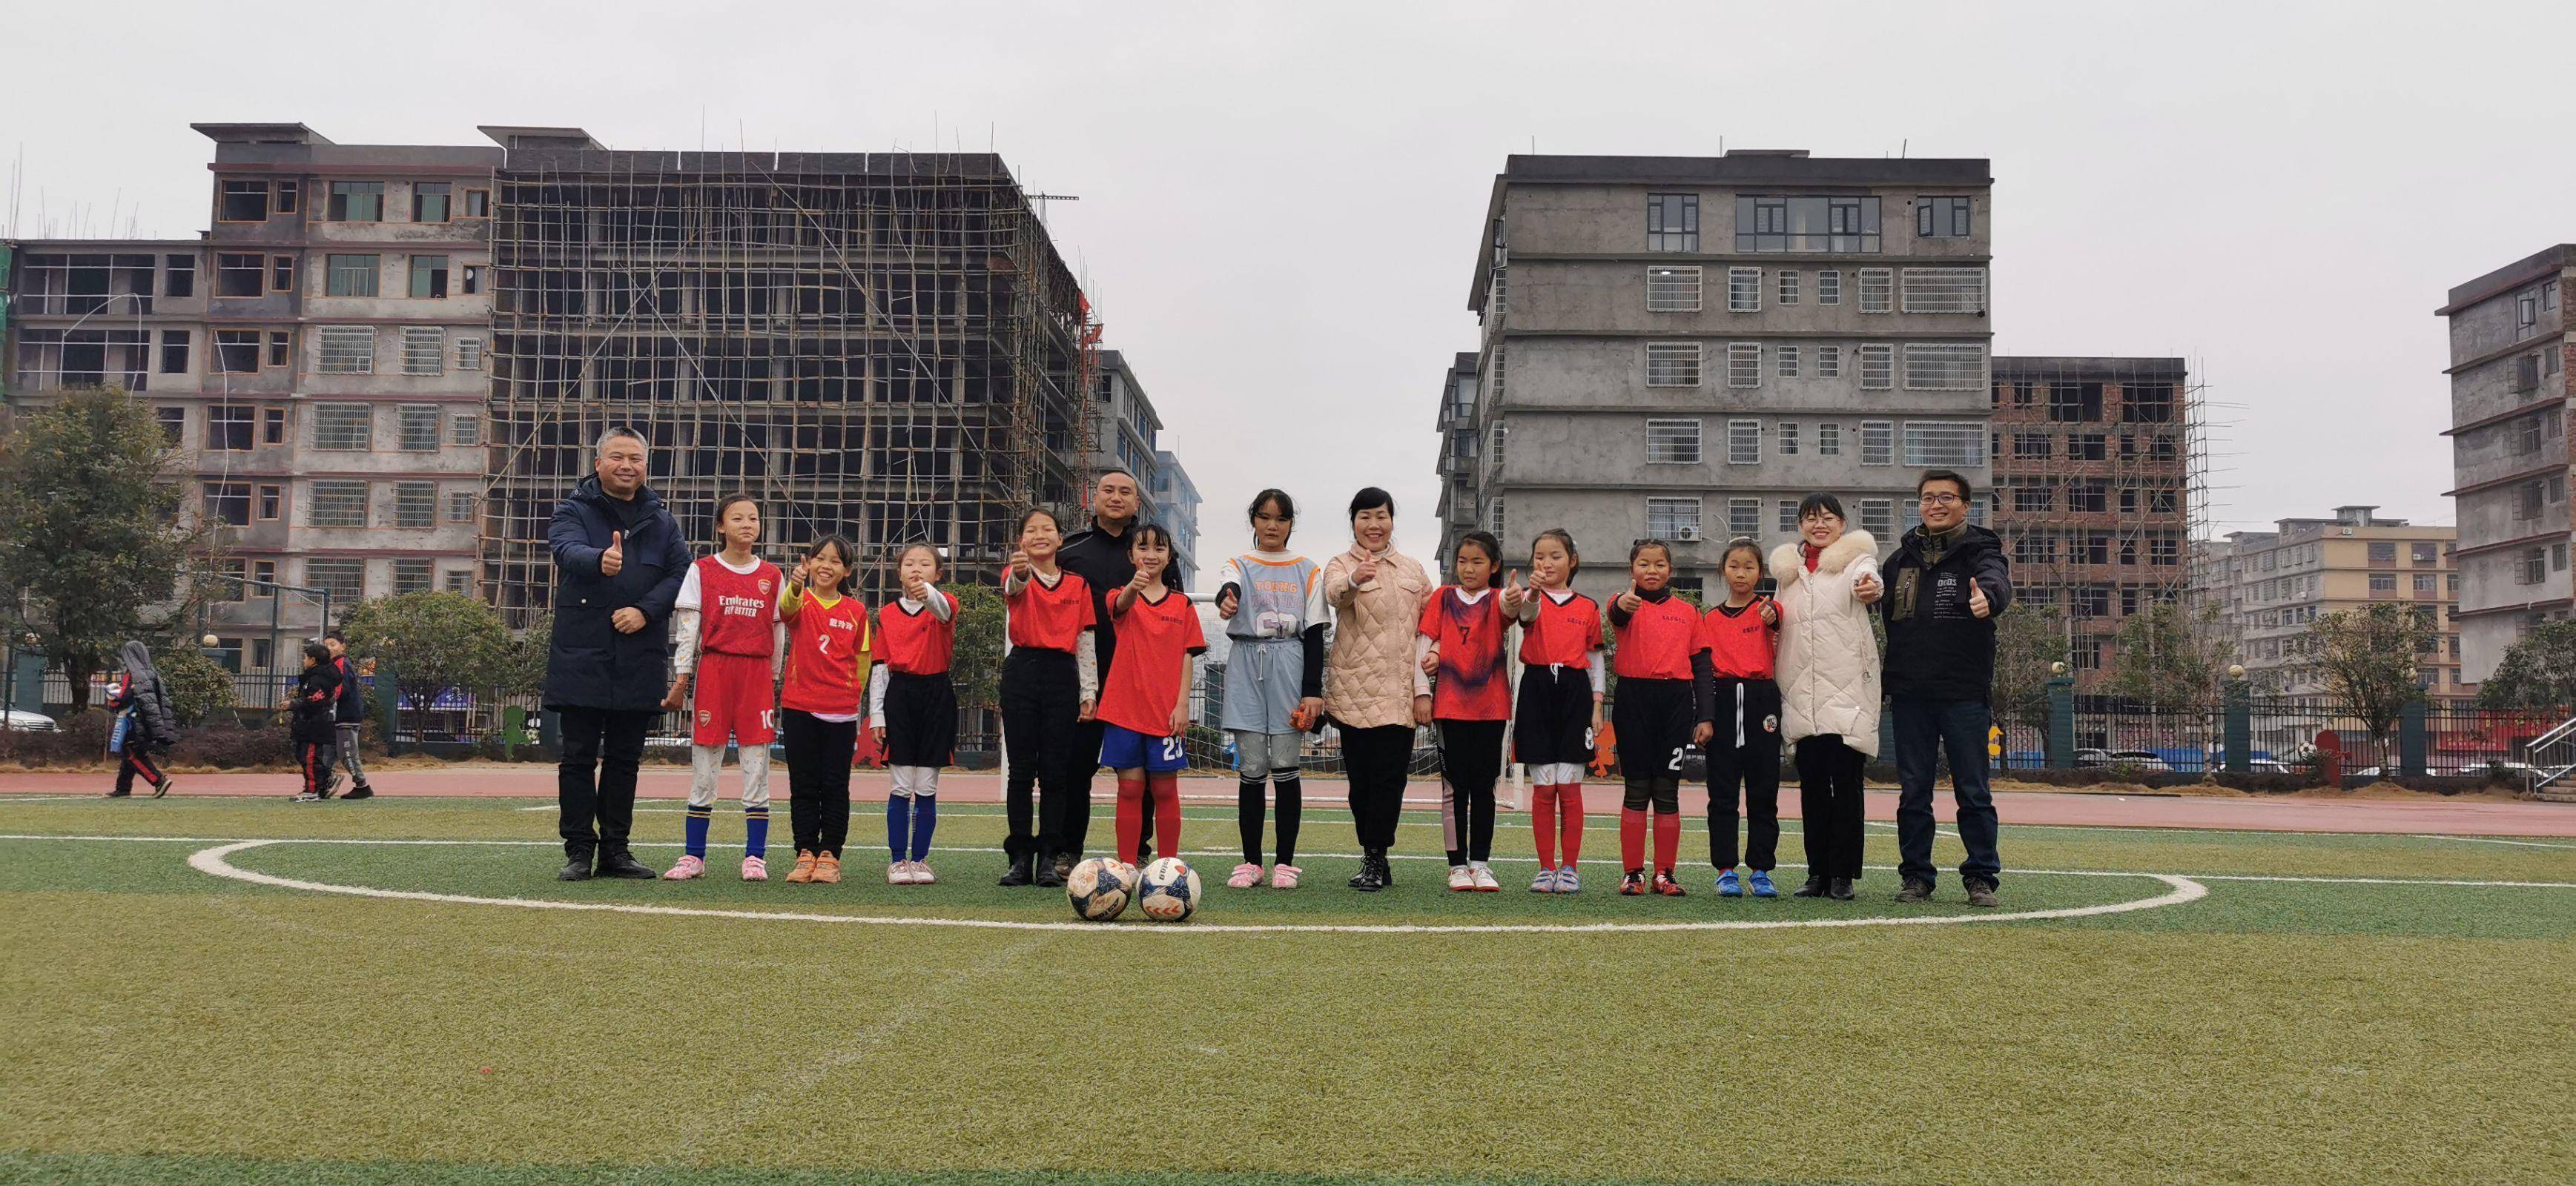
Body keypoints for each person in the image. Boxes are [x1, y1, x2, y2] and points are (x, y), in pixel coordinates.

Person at [546, 426, 690, 882]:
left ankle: (616, 850)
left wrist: (646, 612)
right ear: (598, 463)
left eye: (636, 458)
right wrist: (597, 560)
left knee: (626, 759)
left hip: (638, 652)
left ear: (646, 465)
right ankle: (577, 850)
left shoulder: (663, 521)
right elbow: (565, 549)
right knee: (578, 758)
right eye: (617, 457)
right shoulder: (572, 509)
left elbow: (681, 573)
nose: (627, 466)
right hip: (582, 653)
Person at [1883, 468, 2014, 908]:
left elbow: (1997, 581)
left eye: (1946, 497)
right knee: (1913, 790)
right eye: (1927, 498)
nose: (1935, 505)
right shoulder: (1899, 560)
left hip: (1963, 692)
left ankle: (1981, 877)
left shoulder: (1981, 550)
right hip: (1909, 693)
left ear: (1964, 504)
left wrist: (1988, 599)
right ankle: (1916, 877)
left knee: (1973, 790)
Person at [661, 494, 785, 882]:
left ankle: (755, 856)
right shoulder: (702, 571)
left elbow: (779, 630)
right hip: (715, 671)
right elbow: (688, 630)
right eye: (737, 518)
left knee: (757, 768)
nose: (747, 524)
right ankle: (693, 856)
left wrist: (775, 678)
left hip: (756, 674)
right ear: (721, 526)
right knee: (704, 769)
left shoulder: (772, 576)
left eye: (753, 518)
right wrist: (683, 677)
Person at [1768, 494, 1882, 901]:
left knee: (1846, 788)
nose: (1820, 525)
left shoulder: (1857, 560)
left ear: (1842, 523)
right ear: (1801, 525)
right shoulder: (1788, 574)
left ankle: (1843, 874)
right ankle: (1817, 872)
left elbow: (1869, 582)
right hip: (1802, 694)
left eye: (1828, 518)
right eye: (1811, 519)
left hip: (1847, 692)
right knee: (1812, 790)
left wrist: (1870, 587)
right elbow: (1779, 622)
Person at [1321, 487, 1433, 892]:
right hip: (1353, 691)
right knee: (1361, 784)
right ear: (1354, 521)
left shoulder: (1413, 570)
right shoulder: (1339, 563)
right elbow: (1334, 593)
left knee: (1390, 781)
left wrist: (1428, 674)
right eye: (1365, 516)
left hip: (1400, 692)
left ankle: (1375, 856)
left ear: (1392, 521)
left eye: (1381, 516)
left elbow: (1433, 622)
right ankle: (1373, 853)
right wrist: (1354, 578)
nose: (1374, 524)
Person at [1214, 489, 1327, 890]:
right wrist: (1228, 600)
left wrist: (1312, 689)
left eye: (1280, 519)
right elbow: (1229, 588)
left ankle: (1284, 863)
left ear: (1291, 523)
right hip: (1246, 661)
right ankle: (1250, 862)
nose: (1272, 526)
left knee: (1285, 766)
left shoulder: (1308, 569)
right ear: (1254, 521)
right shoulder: (1239, 564)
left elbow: (1314, 633)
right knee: (1251, 768)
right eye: (1264, 518)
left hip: (1289, 663)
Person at [1048, 469, 1142, 879]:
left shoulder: (1150, 550)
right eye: (1109, 490)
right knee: (1075, 768)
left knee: (1139, 770)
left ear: (1137, 502)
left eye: (1126, 491)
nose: (1116, 497)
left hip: (1137, 679)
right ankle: (1068, 850)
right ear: (1093, 497)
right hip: (1080, 679)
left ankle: (1139, 850)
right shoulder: (1070, 551)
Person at [998, 508, 1096, 888]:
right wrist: (1021, 572)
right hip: (1022, 670)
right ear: (1022, 541)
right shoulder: (1015, 573)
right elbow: (1014, 587)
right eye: (1031, 530)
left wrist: (1089, 691)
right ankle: (1020, 856)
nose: (1040, 535)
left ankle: (1049, 858)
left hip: (1062, 674)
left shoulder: (1078, 585)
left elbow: (1085, 640)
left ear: (1060, 539)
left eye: (1048, 529)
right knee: (1021, 770)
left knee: (1056, 773)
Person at [1608, 539, 1711, 898]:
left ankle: (1664, 874)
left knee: (1667, 792)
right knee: (1636, 789)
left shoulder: (1687, 612)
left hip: (1676, 702)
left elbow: (1701, 666)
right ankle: (1632, 874)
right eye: (1644, 564)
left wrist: (1706, 716)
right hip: (1633, 699)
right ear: (1631, 569)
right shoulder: (1623, 603)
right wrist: (1624, 603)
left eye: (1659, 564)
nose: (1652, 571)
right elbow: (1617, 614)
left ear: (1670, 569)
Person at [1097, 523, 1204, 867]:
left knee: (1164, 790)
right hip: (1124, 710)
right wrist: (1133, 586)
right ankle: (1127, 866)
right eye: (1143, 548)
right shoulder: (1119, 595)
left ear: (1169, 556)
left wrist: (1182, 704)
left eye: (1159, 548)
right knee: (1129, 789)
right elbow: (1122, 605)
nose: (1151, 554)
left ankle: (1168, 868)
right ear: (1131, 556)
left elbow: (1188, 655)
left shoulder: (1182, 605)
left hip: (1165, 713)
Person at [1416, 530, 1512, 891]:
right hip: (1450, 707)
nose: (1468, 569)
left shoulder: (1500, 599)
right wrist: (1421, 692)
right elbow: (1424, 644)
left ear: (1494, 566)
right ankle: (1457, 864)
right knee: (1454, 788)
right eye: (1462, 561)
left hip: (1492, 706)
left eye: (1477, 561)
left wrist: (1524, 597)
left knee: (1485, 788)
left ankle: (1481, 863)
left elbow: (1520, 611)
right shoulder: (1442, 597)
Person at [1510, 529, 1604, 894]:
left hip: (1575, 693)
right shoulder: (1525, 598)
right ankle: (1545, 867)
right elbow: (1526, 617)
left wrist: (1597, 706)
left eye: (1555, 556)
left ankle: (1569, 868)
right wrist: (1531, 593)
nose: (1546, 563)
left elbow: (1595, 661)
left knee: (1570, 787)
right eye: (1539, 557)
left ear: (1572, 561)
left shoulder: (1588, 607)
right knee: (1543, 786)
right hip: (1536, 689)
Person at [1696, 537, 1783, 898]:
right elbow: (1701, 669)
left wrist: (1773, 614)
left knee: (1764, 792)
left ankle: (1761, 870)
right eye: (1734, 566)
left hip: (1763, 702)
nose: (1741, 573)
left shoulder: (1768, 610)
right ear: (1723, 570)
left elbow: (1779, 620)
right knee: (1723, 793)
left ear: (1760, 572)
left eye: (1749, 566)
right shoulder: (1710, 619)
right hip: (1723, 700)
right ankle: (1726, 869)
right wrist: (1705, 716)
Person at [778, 535, 867, 885]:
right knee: (803, 784)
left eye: (835, 561)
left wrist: (851, 697)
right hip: (800, 706)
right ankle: (805, 853)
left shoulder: (856, 611)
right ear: (808, 562)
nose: (826, 565)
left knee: (834, 785)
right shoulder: (801, 601)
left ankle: (830, 854)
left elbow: (862, 660)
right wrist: (794, 586)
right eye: (820, 558)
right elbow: (786, 610)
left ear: (847, 570)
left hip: (841, 712)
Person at [871, 543, 958, 885]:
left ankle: (920, 859)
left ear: (938, 574)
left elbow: (941, 609)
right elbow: (880, 667)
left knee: (926, 785)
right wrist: (877, 715)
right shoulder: (888, 614)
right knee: (901, 784)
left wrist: (929, 594)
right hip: (901, 695)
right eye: (909, 564)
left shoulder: (945, 605)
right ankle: (897, 860)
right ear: (899, 572)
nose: (916, 569)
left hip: (936, 695)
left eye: (925, 564)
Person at [104, 640, 176, 799]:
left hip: (133, 721)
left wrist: (113, 698)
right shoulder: (152, 673)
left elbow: (125, 697)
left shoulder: (132, 675)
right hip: (147, 719)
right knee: (131, 752)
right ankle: (122, 788)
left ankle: (158, 780)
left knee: (131, 753)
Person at [320, 633, 374, 800]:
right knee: (327, 752)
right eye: (326, 645)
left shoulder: (342, 664)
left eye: (333, 644)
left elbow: (341, 690)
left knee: (347, 753)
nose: (329, 648)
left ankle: (362, 785)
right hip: (336, 717)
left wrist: (324, 699)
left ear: (343, 646)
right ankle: (325, 781)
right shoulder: (332, 665)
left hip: (346, 717)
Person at [291, 641, 343, 803]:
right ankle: (326, 780)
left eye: (306, 658)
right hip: (307, 725)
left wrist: (293, 704)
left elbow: (315, 701)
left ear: (313, 660)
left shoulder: (320, 679)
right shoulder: (312, 678)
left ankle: (313, 790)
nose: (304, 661)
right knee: (303, 755)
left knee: (310, 758)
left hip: (315, 726)